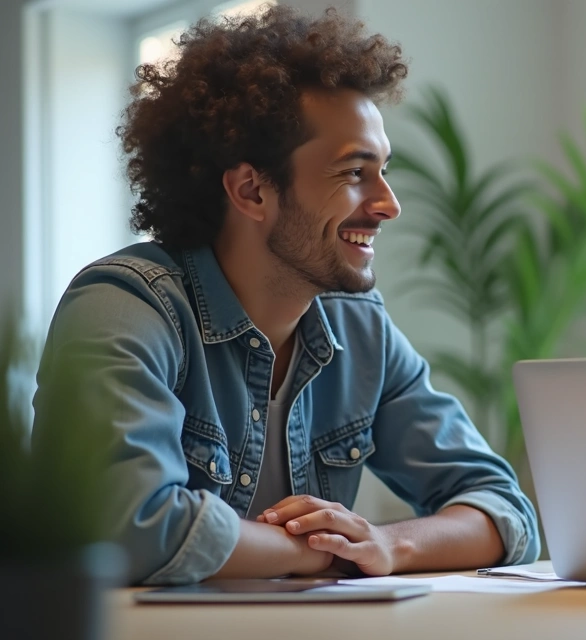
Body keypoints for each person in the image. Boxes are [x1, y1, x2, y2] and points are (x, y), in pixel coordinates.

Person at [31, 6, 539, 585]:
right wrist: (322, 551)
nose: (389, 204)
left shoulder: (358, 329)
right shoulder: (124, 307)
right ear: (252, 190)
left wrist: (386, 544)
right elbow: (128, 526)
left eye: (384, 171)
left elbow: (504, 509)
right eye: (354, 173)